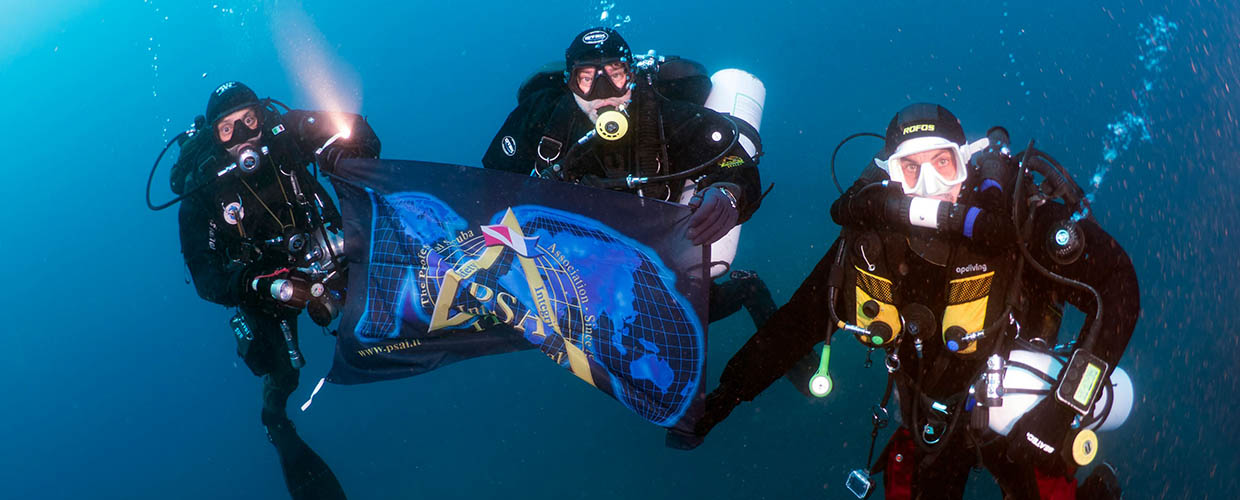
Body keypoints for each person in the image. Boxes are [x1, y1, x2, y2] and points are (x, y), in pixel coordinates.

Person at [676, 103, 1139, 499]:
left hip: (1025, 405)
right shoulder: (871, 242)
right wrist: (721, 399)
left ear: (968, 165)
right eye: (911, 168)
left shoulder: (1017, 223)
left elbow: (1119, 286)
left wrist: (1061, 410)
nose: (929, 185)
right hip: (930, 409)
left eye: (944, 164)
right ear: (891, 177)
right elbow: (796, 326)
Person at [482, 26, 778, 345]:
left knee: (685, 319)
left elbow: (733, 159)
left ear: (632, 76)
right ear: (570, 84)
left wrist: (727, 192)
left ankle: (749, 290)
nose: (603, 91)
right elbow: (489, 183)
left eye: (615, 74)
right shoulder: (541, 115)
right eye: (586, 79)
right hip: (572, 251)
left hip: (656, 246)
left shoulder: (667, 116)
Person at [170, 81, 380, 500]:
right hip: (264, 287)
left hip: (325, 248)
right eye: (228, 129)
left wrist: (343, 155)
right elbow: (206, 279)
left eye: (250, 120)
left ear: (263, 116)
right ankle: (276, 421)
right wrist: (259, 285)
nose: (244, 136)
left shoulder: (287, 133)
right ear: (214, 137)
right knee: (283, 370)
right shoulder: (203, 191)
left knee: (387, 278)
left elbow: (360, 133)